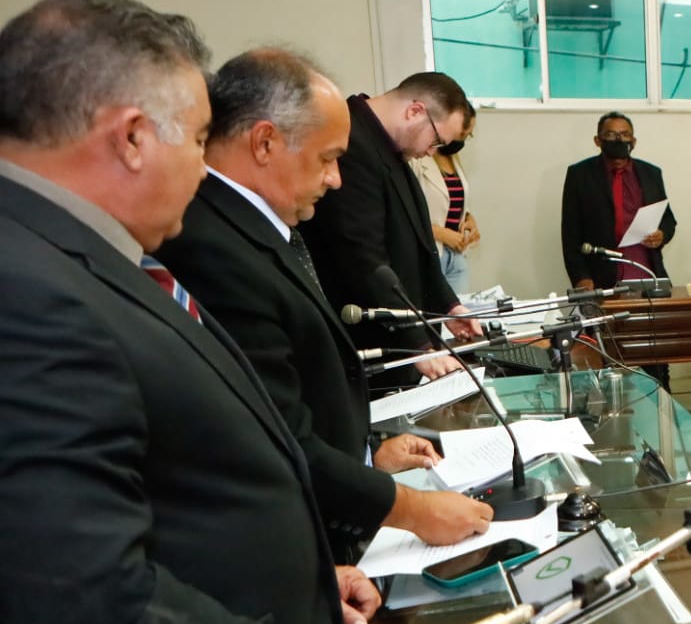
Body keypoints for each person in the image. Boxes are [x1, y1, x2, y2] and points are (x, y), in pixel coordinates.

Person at [0, 0, 390, 624]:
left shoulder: (83, 256)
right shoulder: (26, 292)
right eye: (202, 138)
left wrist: (299, 579)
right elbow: (91, 603)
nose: (207, 170)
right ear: (135, 137)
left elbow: (166, 485)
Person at [154, 49, 493, 563]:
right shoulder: (212, 245)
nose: (336, 179)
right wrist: (413, 509)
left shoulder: (265, 225)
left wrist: (367, 456)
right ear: (265, 142)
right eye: (327, 158)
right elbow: (273, 432)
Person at [298, 71, 480, 389]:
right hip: (372, 346)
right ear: (415, 111)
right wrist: (417, 346)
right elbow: (361, 259)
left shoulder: (389, 147)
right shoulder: (352, 141)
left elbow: (418, 243)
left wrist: (449, 307)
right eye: (437, 141)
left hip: (403, 340)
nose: (432, 152)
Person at [561, 111, 678, 388]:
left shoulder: (651, 173)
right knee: (605, 353)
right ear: (597, 140)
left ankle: (663, 404)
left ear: (634, 141)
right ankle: (610, 409)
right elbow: (570, 232)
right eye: (611, 135)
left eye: (624, 135)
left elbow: (668, 219)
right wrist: (581, 279)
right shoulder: (580, 174)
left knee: (655, 351)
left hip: (646, 273)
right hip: (601, 278)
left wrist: (661, 234)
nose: (619, 140)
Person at [412, 101, 479, 295]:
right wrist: (441, 234)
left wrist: (468, 220)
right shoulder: (418, 159)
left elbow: (453, 202)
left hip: (456, 256)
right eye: (463, 133)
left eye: (469, 135)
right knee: (436, 318)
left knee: (462, 317)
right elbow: (409, 213)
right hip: (432, 255)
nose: (464, 139)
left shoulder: (454, 160)